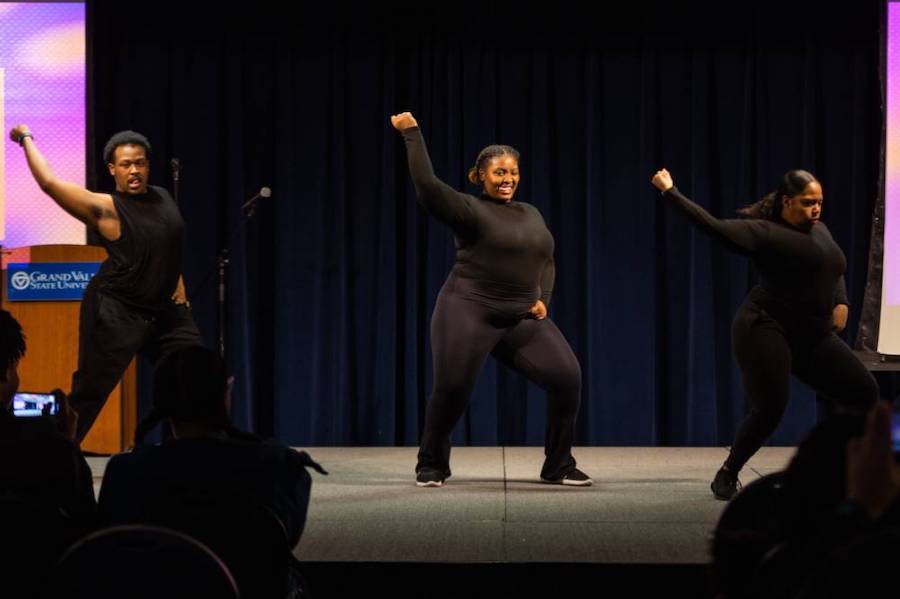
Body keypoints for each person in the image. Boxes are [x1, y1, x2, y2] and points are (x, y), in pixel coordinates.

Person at [650, 168, 878, 500]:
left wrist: (840, 300)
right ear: (787, 202)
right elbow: (714, 227)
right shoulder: (765, 233)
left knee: (864, 392)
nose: (816, 209)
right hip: (765, 327)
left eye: (819, 202)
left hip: (812, 335)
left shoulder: (821, 229)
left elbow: (832, 266)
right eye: (807, 202)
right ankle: (729, 471)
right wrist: (670, 192)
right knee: (771, 407)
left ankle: (838, 467)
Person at [391, 111, 590, 487]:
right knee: (452, 390)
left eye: (512, 172)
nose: (508, 179)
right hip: (468, 309)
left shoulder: (530, 212)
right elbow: (428, 187)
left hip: (520, 317)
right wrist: (411, 133)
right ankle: (431, 462)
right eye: (499, 173)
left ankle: (558, 465)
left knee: (567, 378)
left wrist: (543, 297)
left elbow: (546, 257)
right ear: (480, 176)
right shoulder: (469, 209)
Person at [8, 125, 204, 441]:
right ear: (113, 169)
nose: (135, 170)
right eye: (126, 165)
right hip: (116, 312)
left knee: (195, 376)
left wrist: (175, 277)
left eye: (140, 162)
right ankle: (57, 461)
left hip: (165, 313)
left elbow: (167, 241)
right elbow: (49, 182)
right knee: (89, 395)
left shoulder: (163, 197)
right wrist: (26, 138)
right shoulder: (105, 208)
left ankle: (193, 453)